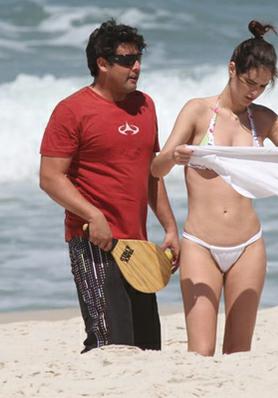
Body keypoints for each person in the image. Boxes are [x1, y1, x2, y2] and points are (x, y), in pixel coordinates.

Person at [151, 20, 278, 356]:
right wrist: (175, 155)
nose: (253, 92)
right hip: (200, 244)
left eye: (262, 86)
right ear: (232, 69)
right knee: (200, 352)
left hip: (249, 245)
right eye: (249, 82)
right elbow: (156, 169)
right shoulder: (198, 111)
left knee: (239, 353)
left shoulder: (264, 119)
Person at [39, 19, 180, 353]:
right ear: (102, 64)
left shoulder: (144, 105)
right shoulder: (72, 110)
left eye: (138, 58)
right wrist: (93, 214)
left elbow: (151, 174)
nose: (137, 67)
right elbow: (49, 177)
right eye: (127, 60)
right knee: (109, 345)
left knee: (147, 347)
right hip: (93, 242)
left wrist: (171, 227)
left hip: (138, 244)